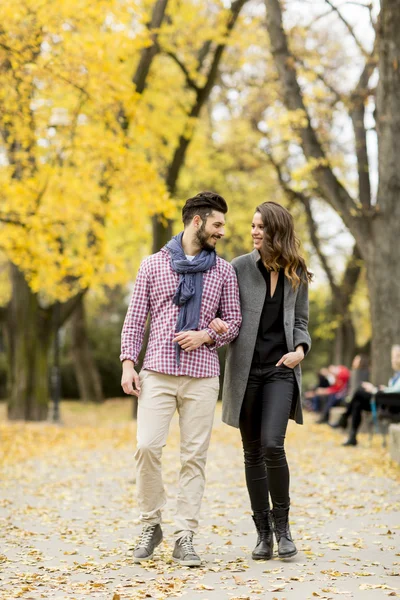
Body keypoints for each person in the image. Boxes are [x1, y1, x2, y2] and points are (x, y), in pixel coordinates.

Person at [120, 192, 242, 566]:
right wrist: (128, 363)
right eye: (217, 224)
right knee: (147, 447)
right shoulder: (152, 265)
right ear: (197, 222)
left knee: (194, 458)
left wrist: (209, 334)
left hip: (202, 376)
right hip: (156, 372)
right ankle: (150, 523)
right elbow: (135, 318)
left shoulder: (223, 271)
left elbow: (234, 322)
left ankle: (184, 535)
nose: (222, 231)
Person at [210, 202, 311, 561]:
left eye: (261, 227)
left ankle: (284, 529)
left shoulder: (297, 271)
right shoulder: (237, 267)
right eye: (253, 226)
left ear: (277, 231)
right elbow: (223, 310)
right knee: (251, 452)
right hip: (245, 372)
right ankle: (263, 534)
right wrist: (218, 324)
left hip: (281, 370)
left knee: (272, 444)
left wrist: (300, 349)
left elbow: (301, 320)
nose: (254, 232)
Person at [338, 345, 400, 446]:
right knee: (357, 403)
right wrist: (382, 389)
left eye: (396, 357)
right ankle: (352, 436)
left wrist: (374, 389)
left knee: (359, 392)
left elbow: (396, 391)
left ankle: (344, 417)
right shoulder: (396, 375)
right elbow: (393, 390)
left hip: (390, 406)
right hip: (385, 401)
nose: (393, 360)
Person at [330, 354, 370, 431]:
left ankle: (343, 419)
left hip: (357, 397)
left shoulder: (361, 373)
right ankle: (344, 421)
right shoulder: (354, 372)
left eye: (356, 360)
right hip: (352, 397)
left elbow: (357, 388)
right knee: (355, 404)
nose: (354, 361)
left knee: (355, 403)